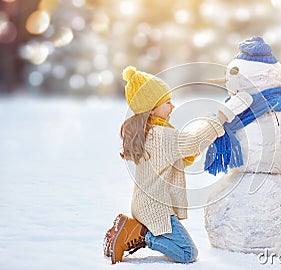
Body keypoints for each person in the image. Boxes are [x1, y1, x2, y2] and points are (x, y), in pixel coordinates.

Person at [103, 66, 252, 264]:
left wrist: (210, 123)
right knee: (187, 252)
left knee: (182, 248)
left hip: (146, 205)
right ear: (152, 107)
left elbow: (184, 147)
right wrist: (220, 119)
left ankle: (134, 229)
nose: (172, 107)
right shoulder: (159, 135)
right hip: (154, 209)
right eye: (167, 102)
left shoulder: (151, 132)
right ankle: (140, 233)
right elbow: (191, 142)